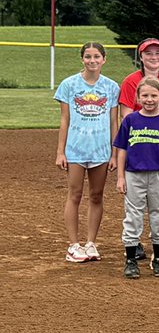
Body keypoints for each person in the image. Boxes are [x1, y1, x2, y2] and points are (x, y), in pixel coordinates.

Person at [56, 41, 120, 264]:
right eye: (88, 57)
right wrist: (60, 152)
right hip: (75, 147)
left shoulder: (112, 87)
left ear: (104, 59)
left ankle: (91, 242)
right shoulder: (69, 85)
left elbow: (114, 122)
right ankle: (74, 245)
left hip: (100, 149)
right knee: (74, 195)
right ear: (82, 58)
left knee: (96, 195)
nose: (92, 61)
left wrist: (114, 154)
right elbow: (65, 120)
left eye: (96, 57)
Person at [113, 78, 159, 279]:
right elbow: (122, 149)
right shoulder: (131, 120)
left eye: (154, 95)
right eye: (145, 95)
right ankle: (131, 260)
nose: (149, 99)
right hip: (134, 174)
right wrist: (120, 177)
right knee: (133, 215)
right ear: (138, 97)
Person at [119, 37, 159, 117]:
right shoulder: (131, 81)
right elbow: (126, 116)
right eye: (148, 53)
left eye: (158, 53)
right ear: (141, 57)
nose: (154, 57)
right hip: (141, 128)